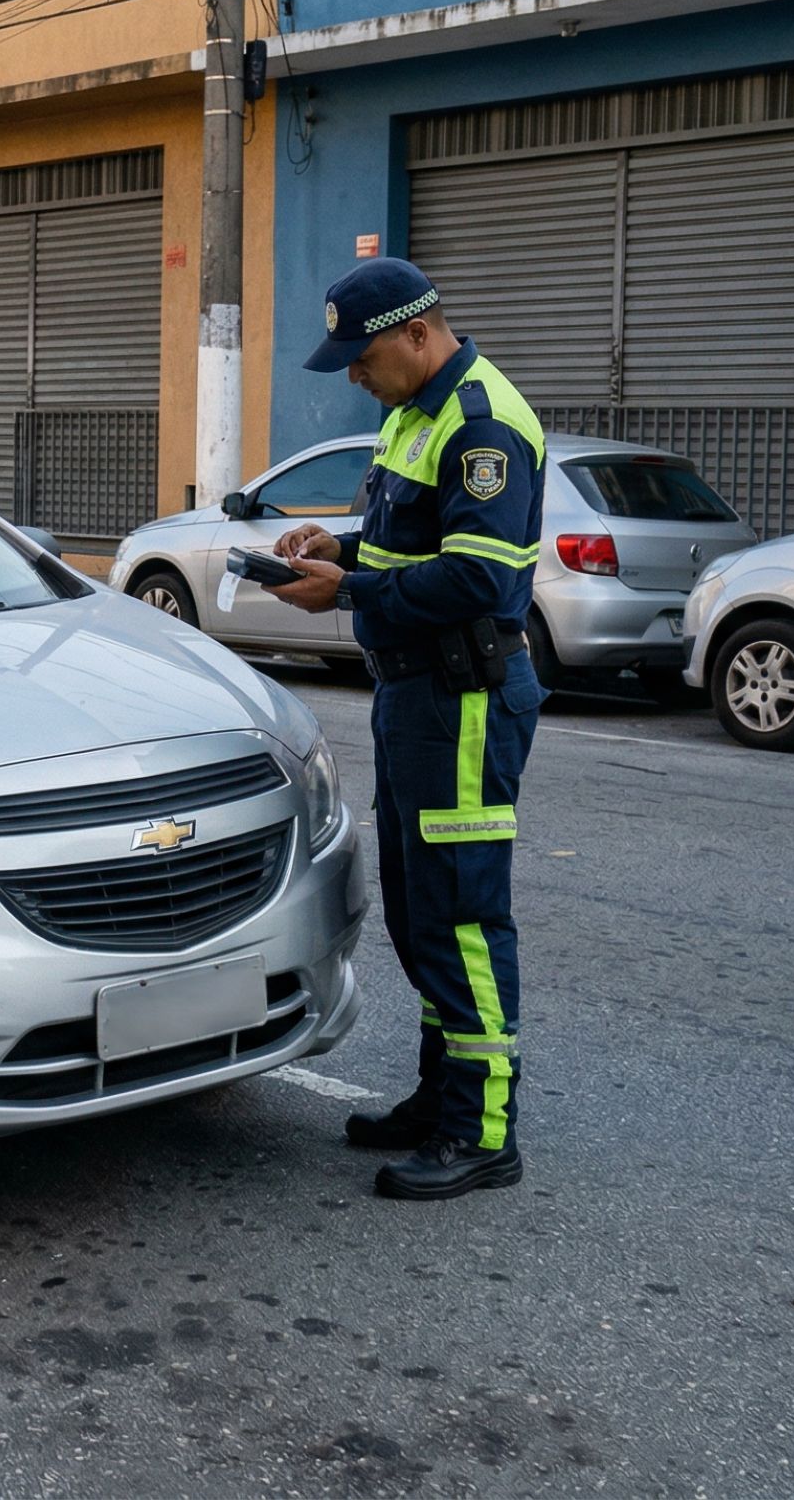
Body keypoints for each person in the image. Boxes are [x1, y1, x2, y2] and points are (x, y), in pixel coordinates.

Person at [260, 257, 546, 1201]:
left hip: (464, 698)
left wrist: (351, 590)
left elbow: (480, 579)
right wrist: (335, 547)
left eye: (363, 356)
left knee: (463, 912)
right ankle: (439, 1097)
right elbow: (406, 543)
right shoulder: (411, 414)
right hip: (417, 696)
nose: (353, 375)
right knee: (423, 910)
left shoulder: (482, 423)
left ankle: (481, 1129)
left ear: (418, 336)